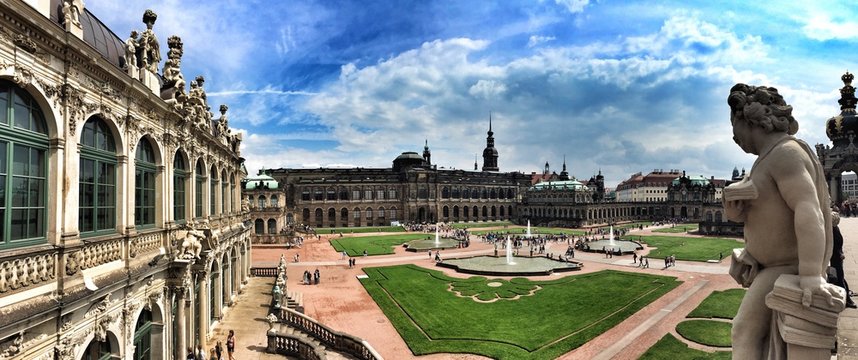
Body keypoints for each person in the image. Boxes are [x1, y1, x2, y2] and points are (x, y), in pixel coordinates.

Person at [724, 84, 843, 357]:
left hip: (786, 267)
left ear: (749, 119)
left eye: (734, 127)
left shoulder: (785, 153)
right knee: (753, 334)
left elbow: (807, 208)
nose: (734, 137)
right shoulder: (766, 159)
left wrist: (811, 274)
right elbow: (766, 212)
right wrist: (735, 211)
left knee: (743, 331)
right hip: (770, 267)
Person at [830, 210, 856, 308]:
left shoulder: (834, 230)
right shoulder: (834, 229)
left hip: (836, 257)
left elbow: (838, 244)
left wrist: (840, 253)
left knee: (839, 277)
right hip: (833, 257)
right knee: (838, 277)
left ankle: (847, 299)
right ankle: (845, 298)